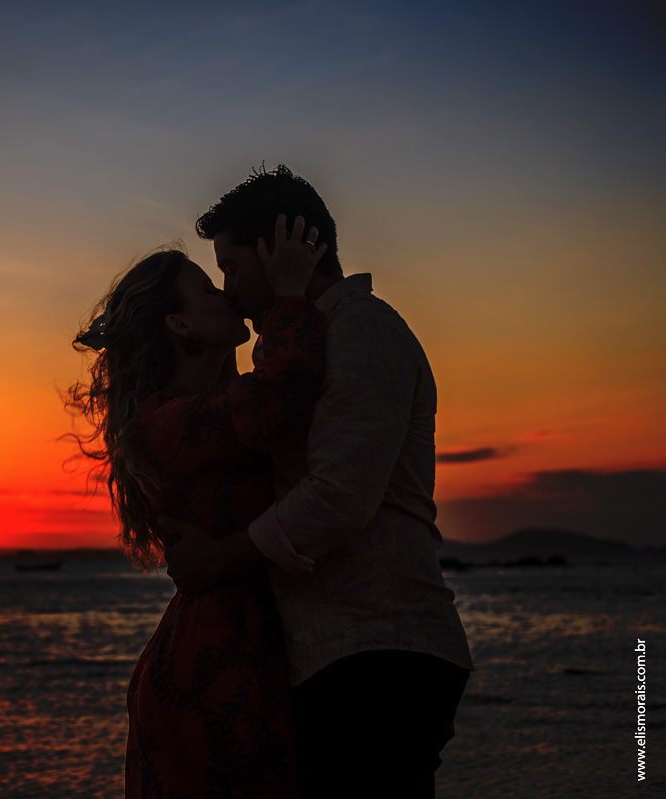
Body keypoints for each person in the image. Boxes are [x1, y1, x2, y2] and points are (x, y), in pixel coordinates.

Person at [159, 164, 474, 798]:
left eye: (231, 267)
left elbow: (338, 498)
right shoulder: (299, 342)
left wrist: (215, 558)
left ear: (280, 247)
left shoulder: (363, 331)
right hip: (338, 652)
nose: (229, 289)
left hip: (381, 650)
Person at [66, 222, 328, 798]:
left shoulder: (208, 407)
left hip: (242, 652)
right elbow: (282, 395)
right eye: (209, 289)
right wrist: (288, 294)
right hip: (212, 672)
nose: (227, 294)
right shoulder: (167, 422)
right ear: (180, 325)